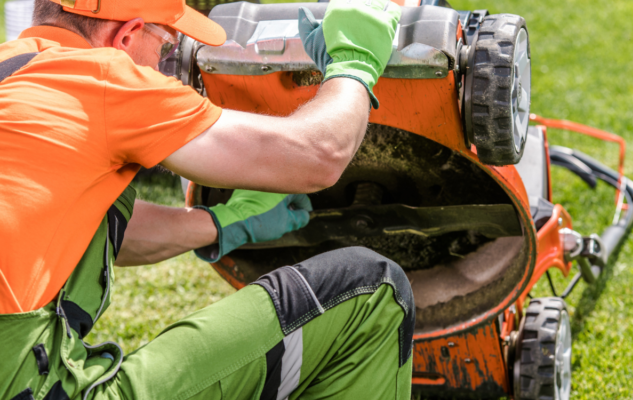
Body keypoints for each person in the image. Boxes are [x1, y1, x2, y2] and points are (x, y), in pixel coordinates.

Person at [0, 0, 415, 399]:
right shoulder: (102, 78)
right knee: (371, 291)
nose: (165, 65)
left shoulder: (14, 73)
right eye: (164, 45)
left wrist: (223, 222)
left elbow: (88, 228)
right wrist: (354, 63)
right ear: (126, 36)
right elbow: (319, 154)